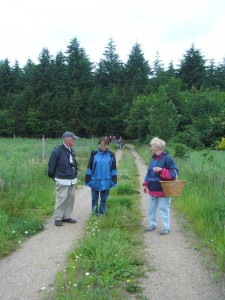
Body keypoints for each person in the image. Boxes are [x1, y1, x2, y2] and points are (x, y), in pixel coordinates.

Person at [143, 137, 179, 235]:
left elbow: (174, 172)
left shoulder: (167, 158)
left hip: (163, 189)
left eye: (152, 146)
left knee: (164, 208)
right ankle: (152, 224)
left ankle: (166, 227)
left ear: (157, 147)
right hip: (152, 188)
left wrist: (162, 170)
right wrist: (146, 184)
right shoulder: (153, 158)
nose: (151, 147)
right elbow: (149, 173)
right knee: (151, 208)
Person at [48, 132, 79, 226]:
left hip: (71, 179)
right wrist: (53, 175)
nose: (74, 140)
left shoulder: (71, 150)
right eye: (73, 138)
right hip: (61, 179)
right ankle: (58, 218)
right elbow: (51, 165)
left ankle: (67, 216)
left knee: (71, 197)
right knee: (62, 198)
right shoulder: (57, 150)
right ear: (66, 139)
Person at [85, 136, 117, 216]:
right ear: (98, 145)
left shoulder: (111, 155)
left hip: (106, 180)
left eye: (105, 146)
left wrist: (114, 181)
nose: (103, 147)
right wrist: (88, 179)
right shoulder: (94, 154)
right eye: (101, 146)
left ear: (107, 146)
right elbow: (89, 167)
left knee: (104, 198)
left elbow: (113, 168)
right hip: (95, 180)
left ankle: (102, 212)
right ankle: (94, 213)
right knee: (94, 198)